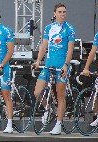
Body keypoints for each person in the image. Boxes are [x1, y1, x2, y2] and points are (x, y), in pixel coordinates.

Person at [31, 3, 76, 135]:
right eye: (60, 12)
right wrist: (38, 61)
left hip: (61, 65)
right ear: (54, 14)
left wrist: (66, 65)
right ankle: (49, 109)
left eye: (64, 12)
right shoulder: (49, 28)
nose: (62, 14)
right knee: (37, 92)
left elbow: (70, 49)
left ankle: (58, 123)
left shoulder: (69, 29)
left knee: (60, 95)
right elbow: (44, 46)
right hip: (49, 64)